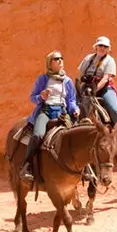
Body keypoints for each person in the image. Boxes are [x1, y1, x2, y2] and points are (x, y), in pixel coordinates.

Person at [23, 50, 80, 181]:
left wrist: (75, 109)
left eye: (61, 58)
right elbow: (33, 98)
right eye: (56, 59)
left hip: (62, 113)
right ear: (50, 63)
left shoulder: (67, 81)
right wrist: (41, 97)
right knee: (37, 135)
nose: (60, 60)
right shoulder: (43, 79)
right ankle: (27, 165)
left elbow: (71, 100)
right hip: (46, 111)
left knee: (76, 136)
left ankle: (85, 169)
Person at [78, 36, 117, 124]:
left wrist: (95, 89)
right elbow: (81, 73)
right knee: (72, 104)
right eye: (100, 45)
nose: (102, 48)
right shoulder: (88, 58)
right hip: (87, 87)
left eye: (105, 47)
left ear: (108, 49)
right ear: (96, 47)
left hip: (104, 88)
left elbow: (105, 79)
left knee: (113, 108)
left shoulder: (110, 60)